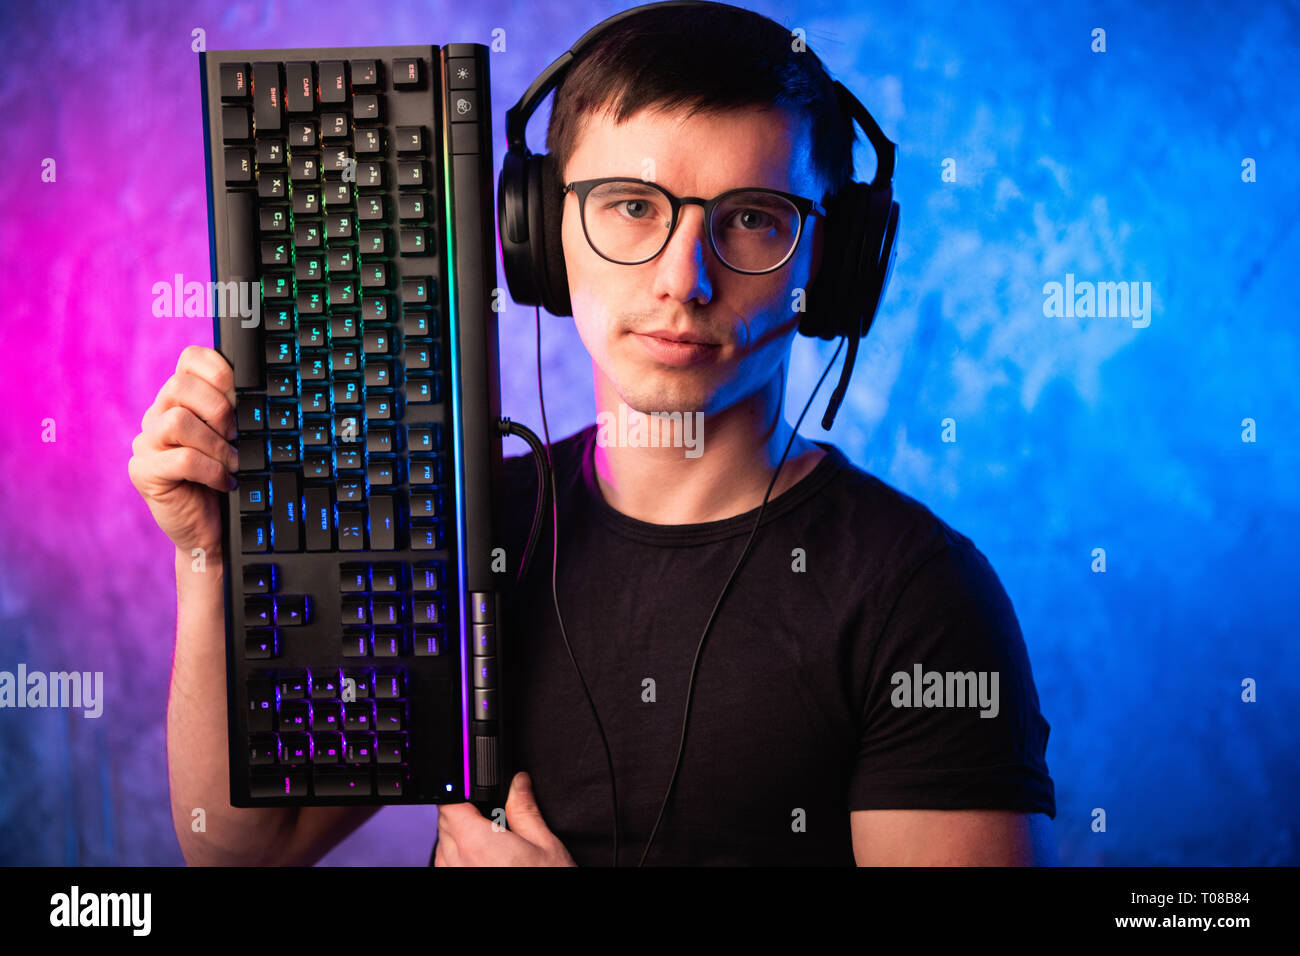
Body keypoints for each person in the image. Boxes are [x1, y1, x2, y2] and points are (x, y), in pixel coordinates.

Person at [129, 3, 1056, 866]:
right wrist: (212, 560)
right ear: (538, 235)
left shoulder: (920, 597)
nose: (683, 280)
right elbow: (246, 844)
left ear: (835, 262)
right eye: (632, 206)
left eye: (752, 220)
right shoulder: (461, 528)